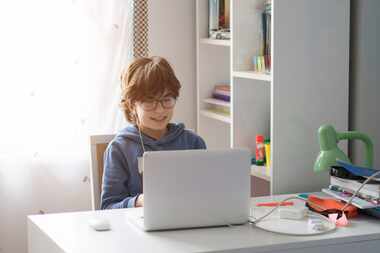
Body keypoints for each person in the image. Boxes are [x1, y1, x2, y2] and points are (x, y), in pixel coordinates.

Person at [101, 56, 206, 209]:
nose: (160, 110)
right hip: (137, 228)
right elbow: (107, 207)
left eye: (167, 99)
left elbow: (206, 194)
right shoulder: (120, 148)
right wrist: (137, 202)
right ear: (132, 105)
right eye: (149, 102)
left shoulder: (193, 142)